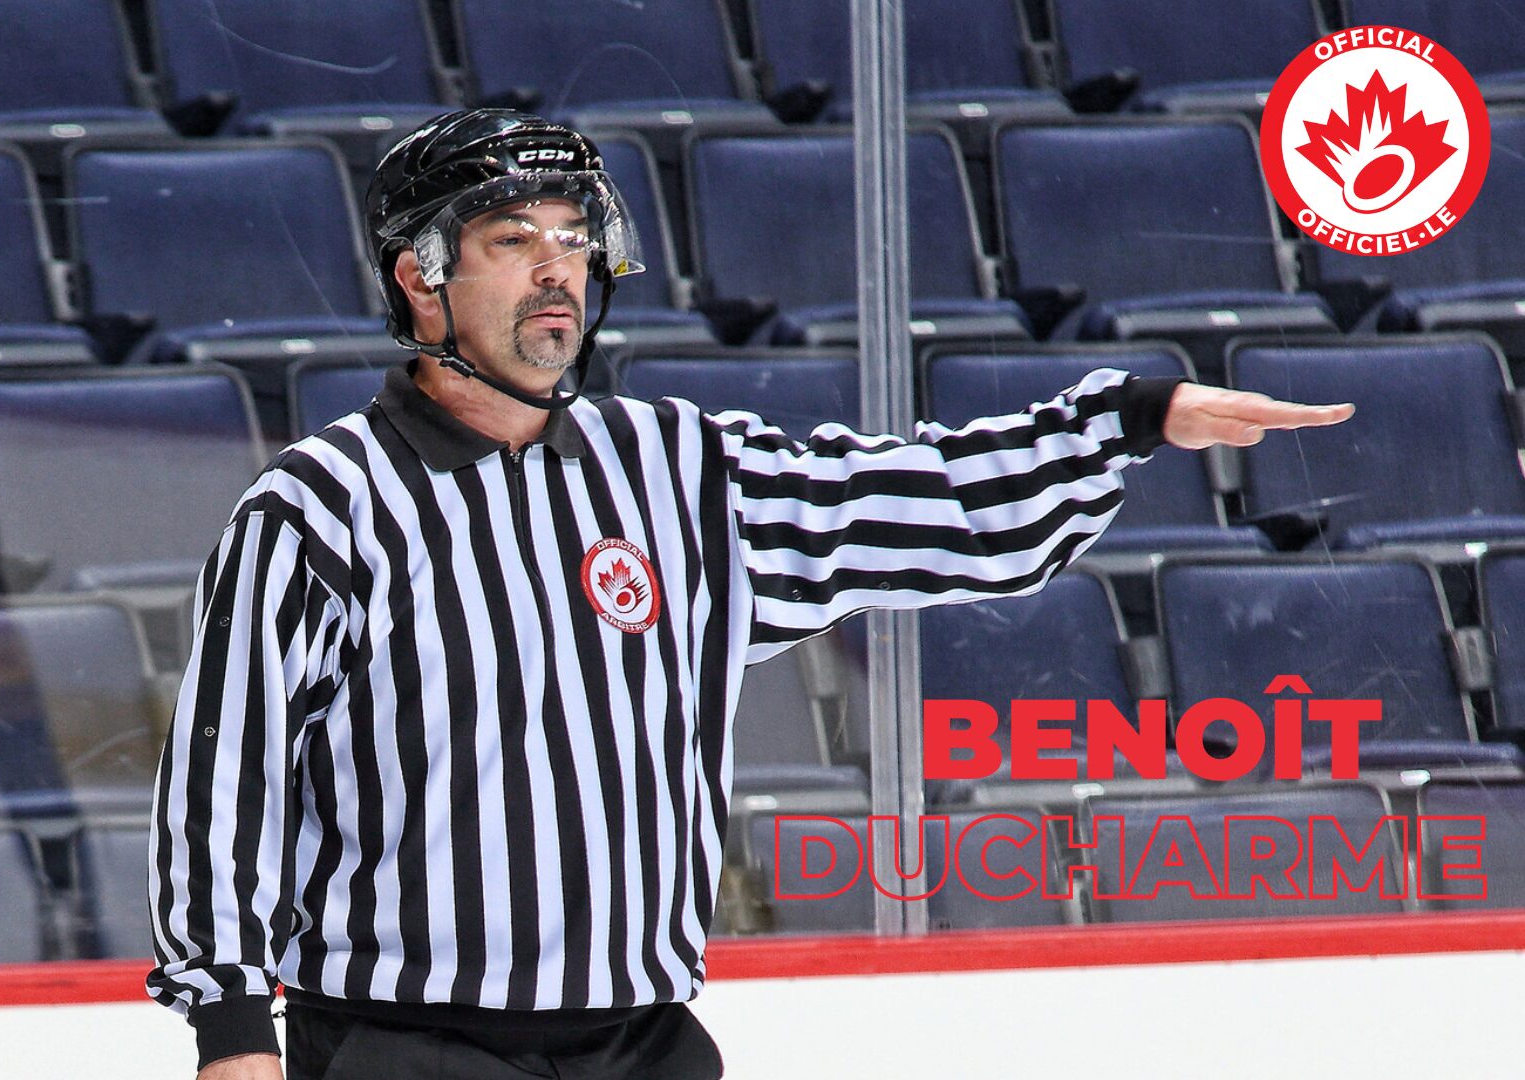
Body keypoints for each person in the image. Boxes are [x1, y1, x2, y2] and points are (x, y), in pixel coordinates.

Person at [146, 109, 1354, 1080]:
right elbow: (224, 781)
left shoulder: (677, 470)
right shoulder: (322, 507)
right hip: (408, 1048)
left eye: (572, 236)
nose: (557, 270)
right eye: (513, 240)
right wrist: (232, 1026)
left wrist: (1124, 422)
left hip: (643, 1041)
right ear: (421, 277)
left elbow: (908, 500)